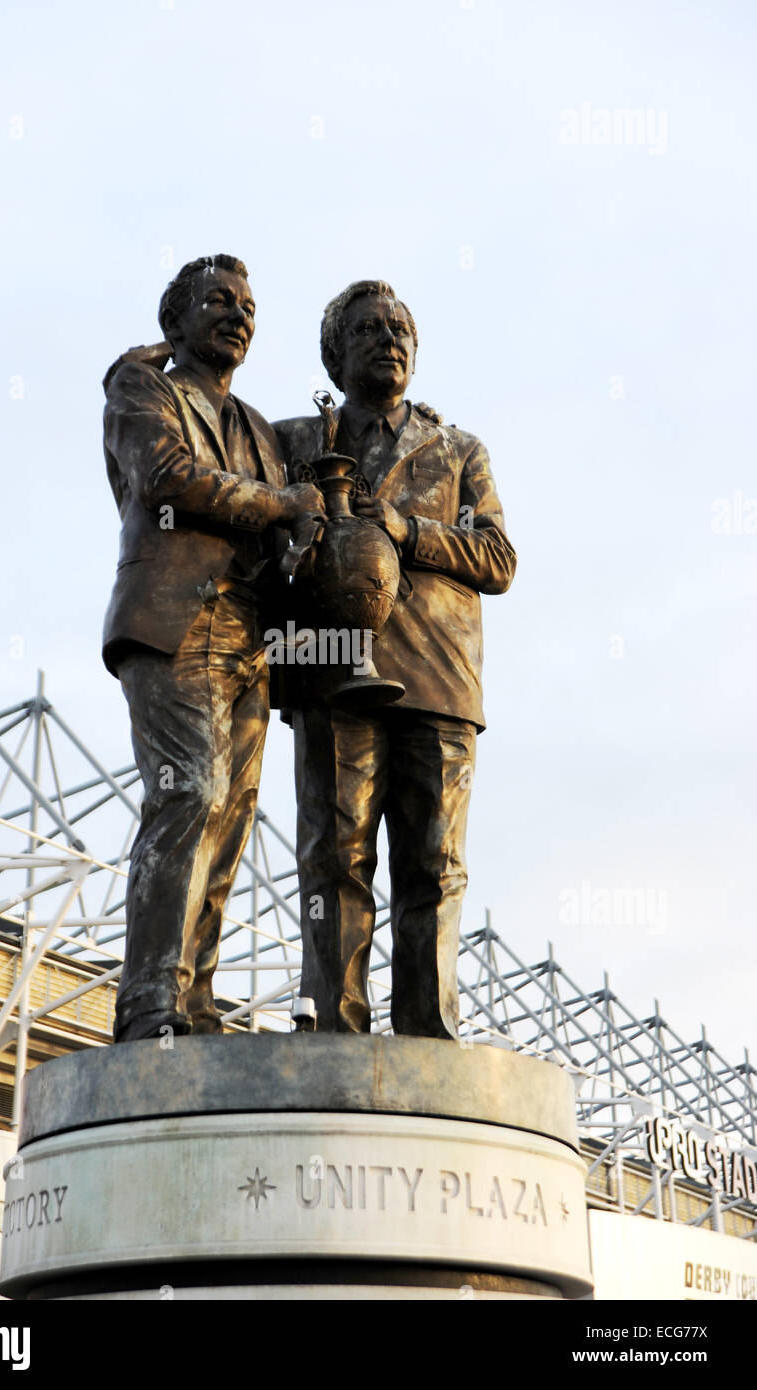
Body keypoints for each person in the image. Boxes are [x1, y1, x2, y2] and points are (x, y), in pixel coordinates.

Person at [273, 280, 516, 1039]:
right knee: (333, 861)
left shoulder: (457, 451)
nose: (390, 340)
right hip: (331, 675)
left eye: (401, 329)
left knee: (434, 869)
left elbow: (499, 559)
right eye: (370, 329)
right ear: (334, 353)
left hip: (438, 681)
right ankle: (334, 1032)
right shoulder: (294, 442)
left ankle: (429, 1036)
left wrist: (408, 531)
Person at [102, 254, 324, 1041]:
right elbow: (166, 476)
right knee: (188, 793)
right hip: (171, 621)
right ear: (177, 321)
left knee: (228, 819)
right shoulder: (142, 389)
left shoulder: (260, 429)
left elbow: (281, 528)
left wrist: (301, 537)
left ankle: (193, 1001)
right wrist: (279, 503)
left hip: (247, 638)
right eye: (220, 302)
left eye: (249, 308)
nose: (239, 316)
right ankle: (146, 1002)